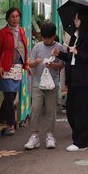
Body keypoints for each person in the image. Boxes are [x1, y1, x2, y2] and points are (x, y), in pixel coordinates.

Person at [63, 10, 88, 152]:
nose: (75, 21)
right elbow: (70, 56)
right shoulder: (75, 36)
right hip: (73, 76)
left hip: (83, 78)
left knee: (81, 110)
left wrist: (78, 52)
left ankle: (81, 141)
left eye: (77, 19)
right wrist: (61, 54)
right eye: (75, 19)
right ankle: (81, 138)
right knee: (71, 109)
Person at [23, 21, 64, 150]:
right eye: (44, 38)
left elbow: (62, 65)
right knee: (35, 109)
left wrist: (51, 65)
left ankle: (50, 135)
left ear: (54, 36)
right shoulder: (37, 47)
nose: (46, 40)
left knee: (51, 110)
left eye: (49, 38)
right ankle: (34, 136)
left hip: (52, 83)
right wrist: (35, 62)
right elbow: (29, 64)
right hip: (37, 83)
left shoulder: (59, 48)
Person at [0, 6, 27, 136]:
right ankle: (10, 124)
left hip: (18, 67)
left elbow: (24, 48)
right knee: (8, 95)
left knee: (12, 95)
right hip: (6, 67)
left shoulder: (22, 31)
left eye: (17, 16)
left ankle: (0, 118)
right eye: (12, 16)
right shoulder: (3, 32)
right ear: (8, 18)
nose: (15, 19)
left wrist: (26, 64)